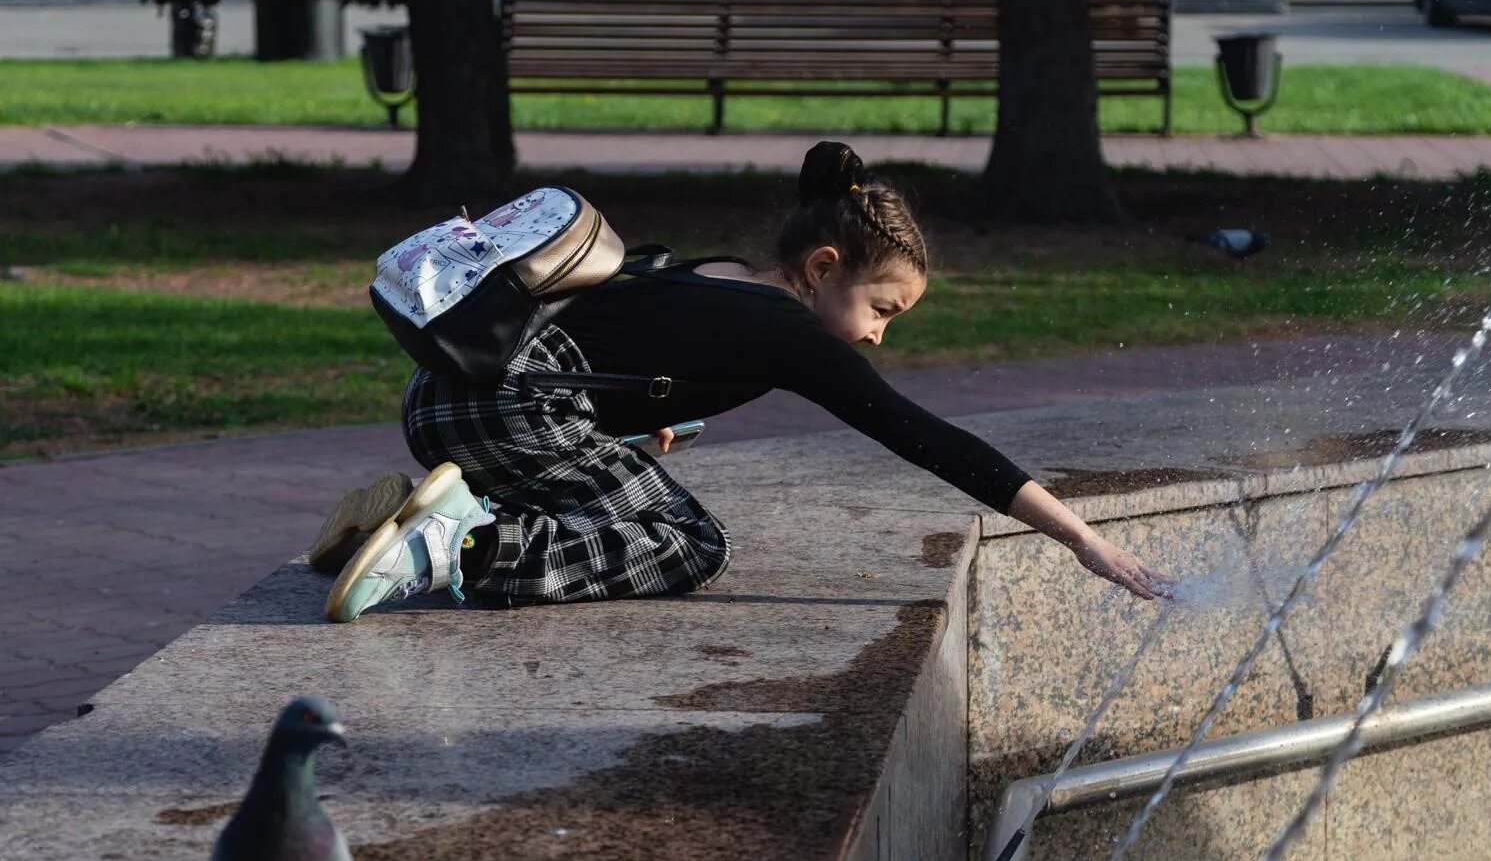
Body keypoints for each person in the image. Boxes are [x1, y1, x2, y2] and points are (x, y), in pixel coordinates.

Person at [317, 142, 1172, 623]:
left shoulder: (712, 271)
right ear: (824, 267)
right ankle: (459, 547)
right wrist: (1081, 538)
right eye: (882, 309)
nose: (879, 334)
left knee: (609, 498)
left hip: (440, 394)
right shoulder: (788, 331)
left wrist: (622, 417)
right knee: (690, 542)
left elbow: (612, 335)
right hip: (514, 412)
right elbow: (924, 436)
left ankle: (387, 524)